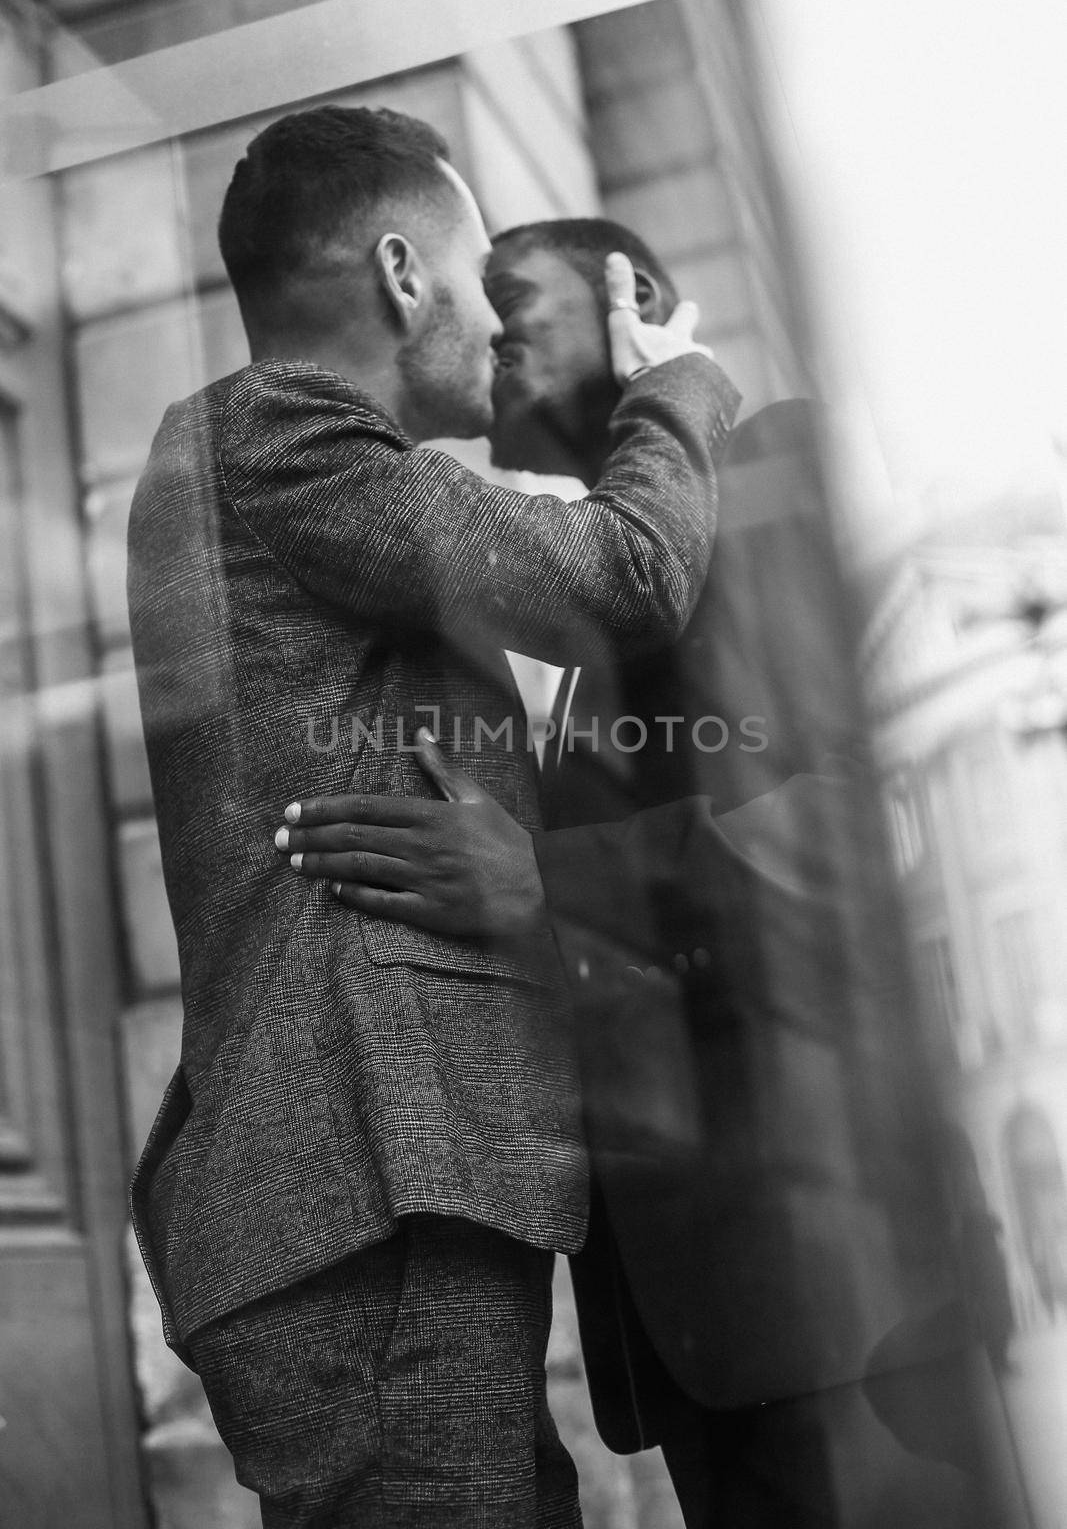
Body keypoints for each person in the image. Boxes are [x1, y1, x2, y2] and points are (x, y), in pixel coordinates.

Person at [278, 219, 999, 1527]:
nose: (488, 332)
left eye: (514, 300)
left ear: (636, 301)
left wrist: (552, 883)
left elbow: (847, 831)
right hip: (713, 1335)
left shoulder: (769, 463)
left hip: (853, 1316)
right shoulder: (608, 579)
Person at [126, 108, 738, 1529]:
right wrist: (685, 384)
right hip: (370, 1181)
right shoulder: (277, 435)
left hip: (376, 1186)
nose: (494, 331)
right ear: (404, 274)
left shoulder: (278, 467)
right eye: (477, 282)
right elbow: (626, 572)